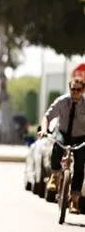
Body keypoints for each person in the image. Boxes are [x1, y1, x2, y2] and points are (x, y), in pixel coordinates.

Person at [39, 77, 85, 214]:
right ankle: (54, 175)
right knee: (57, 145)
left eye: (78, 90)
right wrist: (43, 129)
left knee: (79, 164)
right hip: (63, 133)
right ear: (69, 88)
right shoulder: (62, 101)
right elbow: (47, 117)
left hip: (81, 136)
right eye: (73, 89)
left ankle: (75, 200)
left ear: (83, 90)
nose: (75, 92)